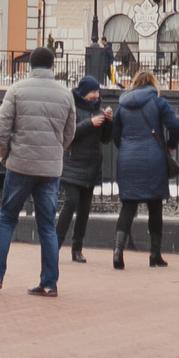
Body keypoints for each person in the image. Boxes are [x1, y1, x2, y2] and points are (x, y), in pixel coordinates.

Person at [0, 46, 76, 295]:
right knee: (47, 225)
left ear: (30, 65)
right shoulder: (66, 94)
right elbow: (69, 134)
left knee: (7, 218)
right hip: (50, 169)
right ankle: (49, 283)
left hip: (20, 165)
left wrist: (5, 155)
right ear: (52, 66)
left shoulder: (16, 90)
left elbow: (0, 129)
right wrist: (54, 152)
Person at [109, 67, 179, 270]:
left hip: (127, 159)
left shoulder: (122, 106)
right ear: (152, 84)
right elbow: (176, 126)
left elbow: (116, 133)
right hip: (153, 158)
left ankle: (117, 252)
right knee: (155, 205)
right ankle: (155, 254)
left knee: (128, 205)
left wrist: (125, 148)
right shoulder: (158, 102)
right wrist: (170, 145)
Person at [56, 75, 112, 263]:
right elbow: (68, 134)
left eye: (98, 92)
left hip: (91, 165)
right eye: (93, 92)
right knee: (70, 202)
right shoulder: (72, 107)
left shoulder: (98, 108)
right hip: (72, 164)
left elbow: (105, 139)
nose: (96, 96)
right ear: (84, 92)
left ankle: (77, 248)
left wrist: (108, 121)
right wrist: (90, 123)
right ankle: (54, 244)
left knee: (85, 208)